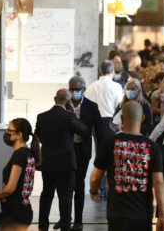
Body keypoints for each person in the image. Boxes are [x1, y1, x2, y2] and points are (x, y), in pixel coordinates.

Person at [90, 101, 164, 231]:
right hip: (143, 213)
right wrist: (162, 216)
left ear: (121, 118)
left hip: (117, 213)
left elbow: (95, 178)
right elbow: (159, 182)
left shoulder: (109, 143)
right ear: (142, 118)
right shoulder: (151, 146)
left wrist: (94, 191)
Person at [54, 76, 105, 231]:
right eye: (72, 89)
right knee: (64, 185)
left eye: (77, 89)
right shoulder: (64, 105)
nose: (75, 92)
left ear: (83, 89)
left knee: (79, 184)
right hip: (66, 149)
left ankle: (78, 221)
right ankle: (65, 219)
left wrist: (100, 154)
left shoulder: (91, 106)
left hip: (82, 149)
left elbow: (100, 131)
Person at [35, 89, 87, 231]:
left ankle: (42, 227)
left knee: (46, 195)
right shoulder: (69, 117)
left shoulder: (42, 117)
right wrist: (73, 113)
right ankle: (65, 227)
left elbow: (37, 136)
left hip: (48, 162)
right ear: (68, 101)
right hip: (66, 163)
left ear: (54, 98)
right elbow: (83, 130)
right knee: (66, 196)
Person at [0, 118, 40, 231]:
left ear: (19, 135)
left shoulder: (19, 154)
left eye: (10, 131)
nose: (7, 133)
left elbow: (10, 189)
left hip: (15, 213)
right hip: (22, 210)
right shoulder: (28, 152)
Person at [85, 61, 124, 200]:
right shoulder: (116, 86)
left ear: (100, 71)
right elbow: (119, 107)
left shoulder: (91, 87)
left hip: (96, 123)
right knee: (114, 156)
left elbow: (87, 107)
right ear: (112, 71)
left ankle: (100, 189)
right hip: (110, 122)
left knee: (99, 156)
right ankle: (112, 188)